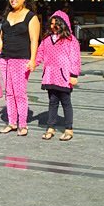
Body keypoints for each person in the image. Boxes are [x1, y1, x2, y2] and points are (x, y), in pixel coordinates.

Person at [0, 0, 40, 136]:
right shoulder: (7, 15)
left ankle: (23, 124)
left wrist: (32, 60)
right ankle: (12, 123)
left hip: (21, 59)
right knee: (9, 93)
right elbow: (2, 38)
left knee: (19, 93)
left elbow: (34, 40)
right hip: (6, 58)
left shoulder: (31, 17)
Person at [36, 10, 81, 141]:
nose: (52, 27)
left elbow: (75, 58)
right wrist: (32, 63)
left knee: (66, 103)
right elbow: (40, 54)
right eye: (51, 24)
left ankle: (69, 129)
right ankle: (51, 127)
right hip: (50, 76)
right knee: (52, 102)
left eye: (56, 24)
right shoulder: (46, 40)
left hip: (64, 77)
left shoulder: (71, 40)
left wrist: (74, 74)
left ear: (63, 24)